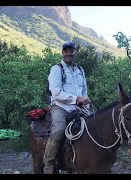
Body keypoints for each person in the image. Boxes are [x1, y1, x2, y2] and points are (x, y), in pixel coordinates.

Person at [43, 41, 91, 174]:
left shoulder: (80, 70)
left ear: (75, 52)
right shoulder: (56, 69)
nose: (69, 53)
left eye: (71, 51)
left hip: (80, 108)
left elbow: (84, 90)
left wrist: (85, 103)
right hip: (61, 107)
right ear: (62, 53)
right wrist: (76, 99)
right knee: (59, 131)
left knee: (95, 127)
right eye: (66, 51)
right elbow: (56, 92)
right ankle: (48, 164)